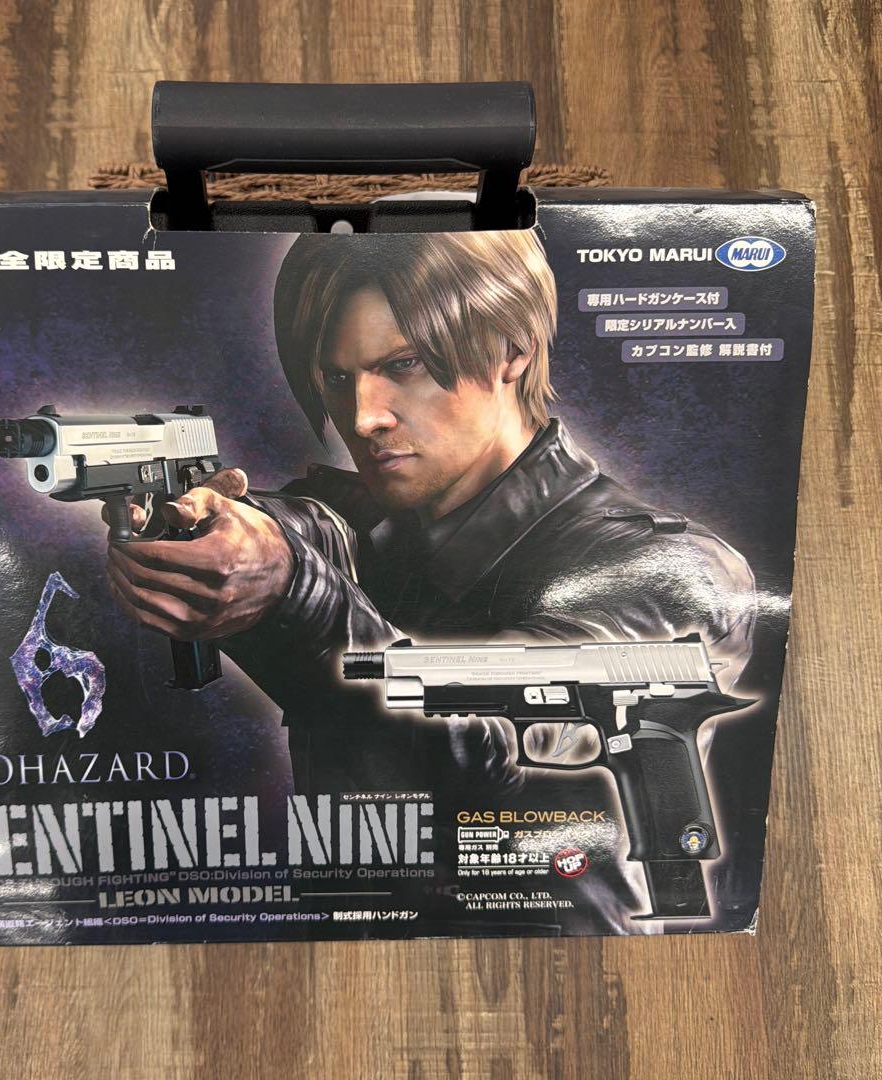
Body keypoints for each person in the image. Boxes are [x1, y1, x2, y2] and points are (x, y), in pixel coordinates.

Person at [105, 231, 757, 800]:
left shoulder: (672, 569)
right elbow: (309, 527)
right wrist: (219, 532)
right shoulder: (377, 532)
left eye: (403, 364)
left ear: (512, 348)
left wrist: (293, 588)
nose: (362, 418)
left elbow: (487, 736)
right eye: (338, 379)